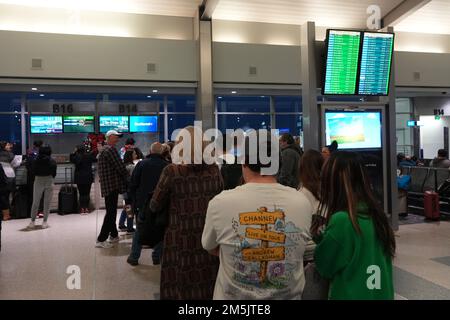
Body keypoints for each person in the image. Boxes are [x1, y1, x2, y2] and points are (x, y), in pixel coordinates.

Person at [202, 134, 313, 299]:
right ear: (279, 165)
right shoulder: (302, 201)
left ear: (244, 162)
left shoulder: (220, 202)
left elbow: (210, 246)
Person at [149, 126, 223, 299]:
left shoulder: (172, 171)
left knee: (178, 282)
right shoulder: (214, 171)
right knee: (206, 280)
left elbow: (155, 205)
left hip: (178, 237)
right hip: (208, 236)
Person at [311, 151, 395, 300]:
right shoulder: (377, 216)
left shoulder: (343, 221)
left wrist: (321, 239)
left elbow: (324, 265)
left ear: (333, 184)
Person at [127, 142, 169, 266]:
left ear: (150, 151)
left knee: (140, 229)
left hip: (143, 203)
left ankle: (134, 256)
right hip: (161, 204)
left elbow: (133, 184)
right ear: (162, 152)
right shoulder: (167, 166)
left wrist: (132, 201)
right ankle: (156, 257)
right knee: (161, 229)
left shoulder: (141, 164)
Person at [96, 130, 128, 249]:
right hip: (112, 185)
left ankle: (114, 235)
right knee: (111, 212)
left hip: (107, 185)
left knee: (111, 210)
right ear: (109, 137)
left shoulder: (104, 150)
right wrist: (129, 178)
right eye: (116, 137)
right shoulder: (110, 150)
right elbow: (120, 167)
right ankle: (101, 239)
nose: (118, 139)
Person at [27, 145, 57, 229]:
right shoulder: (52, 161)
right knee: (47, 202)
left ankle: (32, 221)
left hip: (38, 180)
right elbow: (54, 173)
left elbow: (33, 171)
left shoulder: (35, 160)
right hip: (49, 180)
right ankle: (44, 222)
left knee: (35, 202)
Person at [70, 145, 96, 214]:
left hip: (79, 178)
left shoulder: (76, 157)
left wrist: (73, 152)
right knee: (87, 193)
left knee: (81, 193)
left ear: (77, 150)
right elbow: (95, 159)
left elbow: (71, 159)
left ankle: (82, 208)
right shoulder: (88, 156)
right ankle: (87, 208)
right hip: (88, 177)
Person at [118, 149, 139, 233]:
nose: (136, 156)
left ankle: (121, 224)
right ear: (130, 156)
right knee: (130, 208)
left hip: (124, 190)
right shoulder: (132, 167)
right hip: (130, 190)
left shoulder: (124, 166)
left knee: (127, 207)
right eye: (134, 154)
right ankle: (130, 227)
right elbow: (134, 180)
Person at [0, 141, 18, 208]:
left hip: (2, 177)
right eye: (7, 145)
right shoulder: (10, 154)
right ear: (3, 146)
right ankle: (8, 212)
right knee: (7, 195)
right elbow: (15, 164)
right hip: (8, 177)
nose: (10, 146)